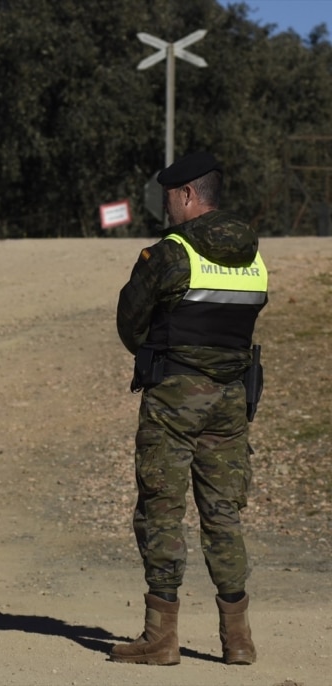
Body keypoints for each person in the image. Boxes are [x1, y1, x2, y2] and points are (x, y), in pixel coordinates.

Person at [111, 151, 268, 666]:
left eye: (170, 197)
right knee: (224, 514)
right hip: (230, 398)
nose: (168, 207)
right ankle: (238, 640)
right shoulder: (252, 254)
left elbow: (130, 324)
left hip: (175, 396)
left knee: (161, 508)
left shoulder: (171, 254)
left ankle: (161, 637)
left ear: (187, 195)